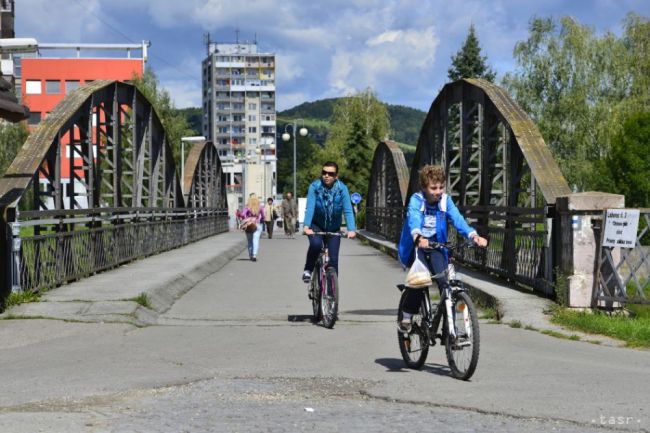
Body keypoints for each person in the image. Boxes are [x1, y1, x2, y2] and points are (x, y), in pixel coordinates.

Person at [397, 164, 488, 332]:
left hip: (436, 246)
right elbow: (414, 218)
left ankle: (450, 328)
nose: (438, 191)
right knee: (420, 281)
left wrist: (473, 235)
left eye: (441, 187)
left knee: (445, 284)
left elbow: (458, 219)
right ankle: (407, 315)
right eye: (433, 188)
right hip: (418, 246)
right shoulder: (417, 200)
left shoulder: (445, 201)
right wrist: (418, 237)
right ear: (424, 187)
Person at [302, 161, 357, 284]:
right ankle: (308, 269)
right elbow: (310, 208)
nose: (326, 175)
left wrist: (351, 229)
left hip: (334, 228)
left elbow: (348, 210)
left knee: (333, 260)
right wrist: (306, 227)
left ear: (336, 176)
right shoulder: (315, 187)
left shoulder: (342, 189)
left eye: (330, 173)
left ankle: (332, 290)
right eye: (324, 172)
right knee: (316, 245)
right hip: (317, 225)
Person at [241, 194, 265, 262]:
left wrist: (246, 218)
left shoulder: (247, 207)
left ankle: (250, 255)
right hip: (257, 225)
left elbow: (242, 215)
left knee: (249, 241)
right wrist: (261, 218)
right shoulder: (260, 207)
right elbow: (263, 216)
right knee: (256, 240)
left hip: (249, 225)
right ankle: (254, 255)